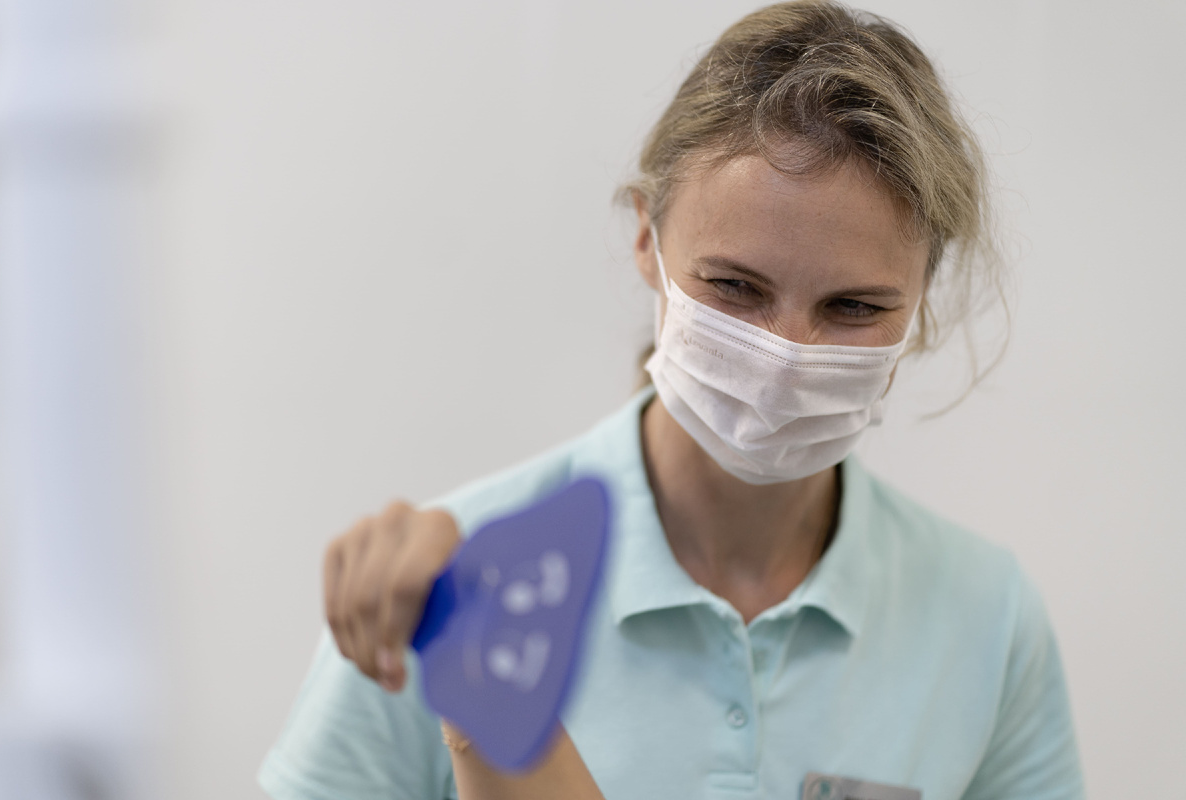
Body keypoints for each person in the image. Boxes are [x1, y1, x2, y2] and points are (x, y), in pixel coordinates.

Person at [258, 3, 1084, 799]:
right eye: (735, 287)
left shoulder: (986, 617)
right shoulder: (448, 592)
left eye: (854, 307)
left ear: (922, 299)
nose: (786, 359)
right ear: (646, 238)